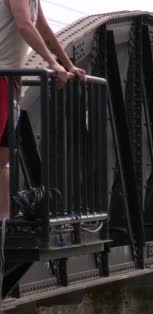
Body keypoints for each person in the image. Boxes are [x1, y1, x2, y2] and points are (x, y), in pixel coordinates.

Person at [0, 0, 86, 218]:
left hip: (10, 83)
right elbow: (24, 25)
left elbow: (43, 28)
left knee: (3, 158)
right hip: (1, 79)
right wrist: (52, 64)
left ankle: (4, 227)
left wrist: (67, 65)